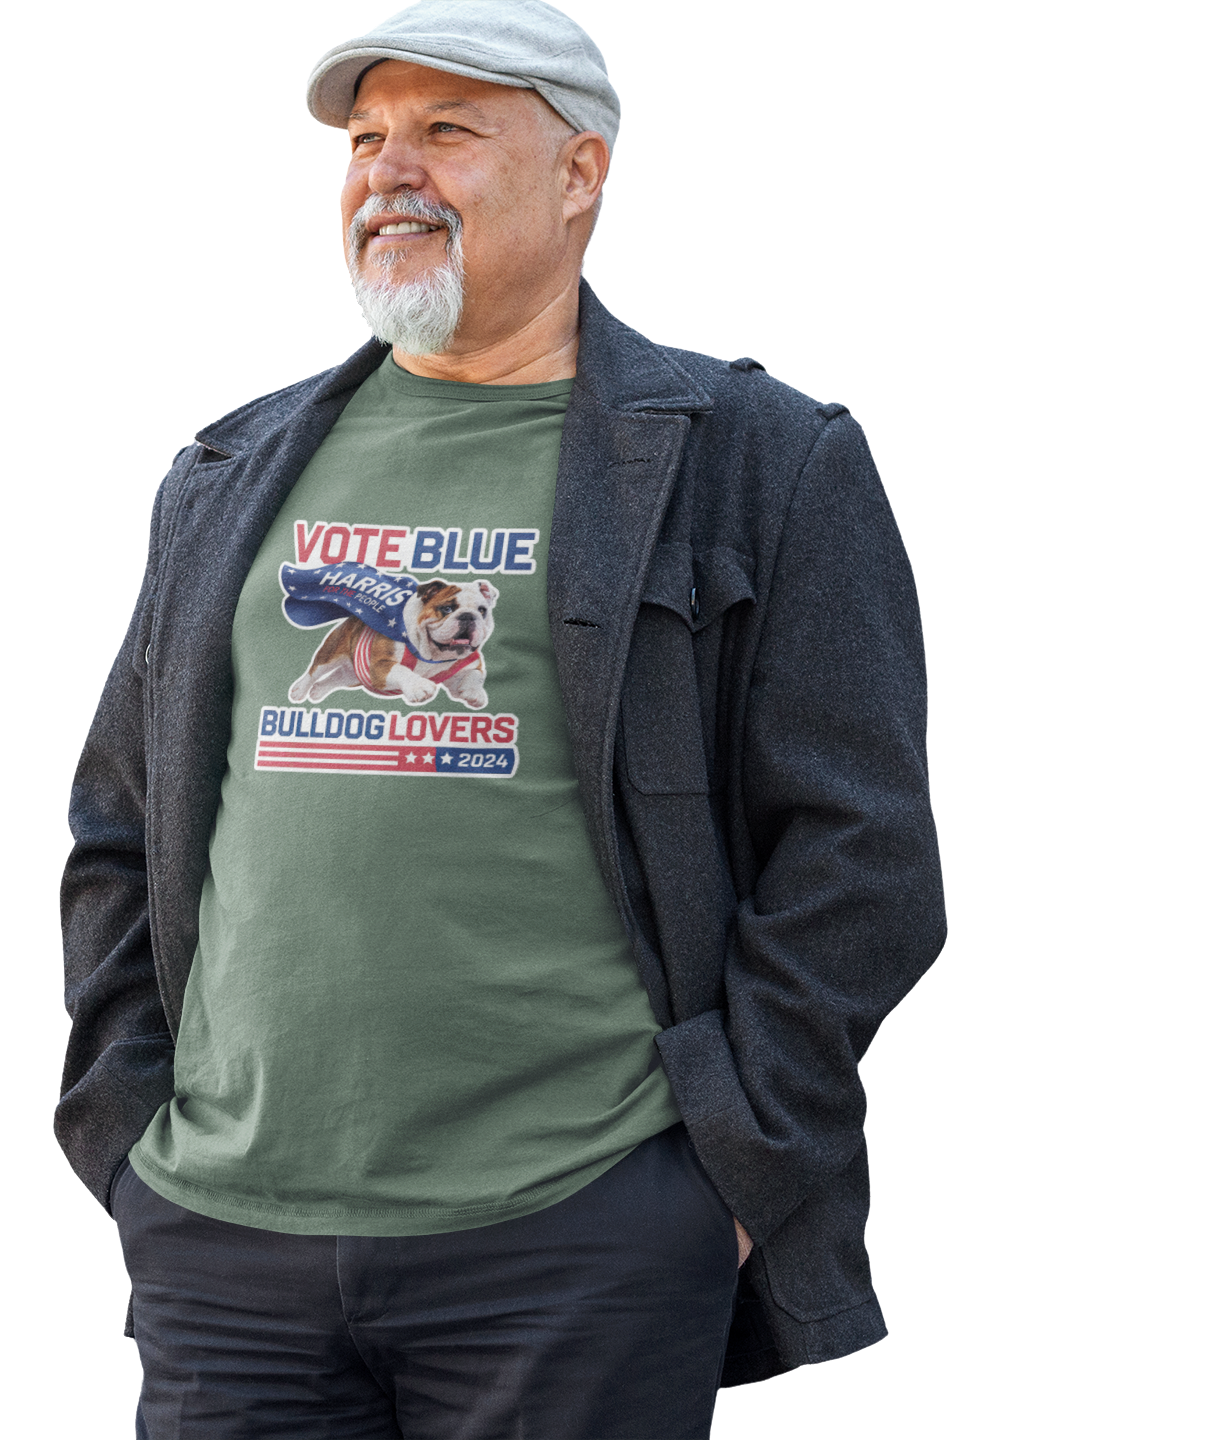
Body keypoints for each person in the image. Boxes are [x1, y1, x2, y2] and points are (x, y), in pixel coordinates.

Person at [57, 3, 945, 1435]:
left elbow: (863, 862)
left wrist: (716, 1176)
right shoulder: (225, 472)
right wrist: (129, 1146)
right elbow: (121, 826)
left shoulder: (759, 466)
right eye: (365, 139)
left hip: (575, 1237)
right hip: (228, 1241)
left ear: (580, 171)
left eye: (447, 132)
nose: (387, 173)